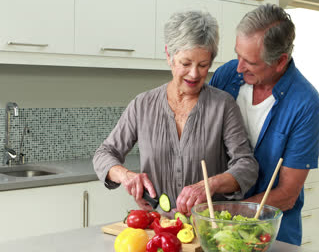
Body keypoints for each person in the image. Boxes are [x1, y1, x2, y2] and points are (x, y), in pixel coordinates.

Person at [93, 11, 258, 215]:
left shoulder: (223, 106)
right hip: (158, 228)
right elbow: (104, 154)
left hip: (207, 227)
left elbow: (247, 165)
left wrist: (210, 185)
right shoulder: (142, 105)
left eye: (203, 65)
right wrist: (126, 176)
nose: (194, 74)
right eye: (186, 63)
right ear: (169, 56)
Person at [209, 4, 319, 246]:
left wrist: (227, 216)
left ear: (280, 61)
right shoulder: (226, 76)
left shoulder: (306, 103)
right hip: (216, 229)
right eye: (237, 55)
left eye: (249, 61)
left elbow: (287, 194)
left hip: (272, 235)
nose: (238, 67)